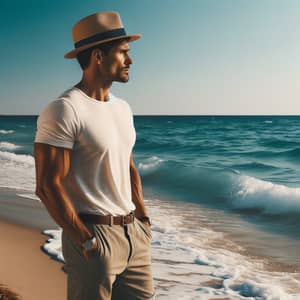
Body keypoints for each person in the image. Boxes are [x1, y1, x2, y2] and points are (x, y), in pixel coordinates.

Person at [34, 11, 155, 300]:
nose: (130, 60)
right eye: (123, 52)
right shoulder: (65, 109)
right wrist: (84, 240)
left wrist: (143, 218)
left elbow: (126, 164)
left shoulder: (123, 108)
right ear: (98, 56)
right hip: (94, 236)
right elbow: (48, 185)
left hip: (133, 236)